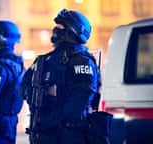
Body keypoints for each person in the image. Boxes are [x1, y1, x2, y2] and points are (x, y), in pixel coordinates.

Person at [19, 9, 111, 144]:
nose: (56, 29)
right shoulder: (45, 60)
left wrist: (53, 120)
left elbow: (80, 100)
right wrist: (33, 97)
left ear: (73, 31)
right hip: (42, 133)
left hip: (69, 134)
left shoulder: (81, 60)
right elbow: (23, 86)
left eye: (61, 26)